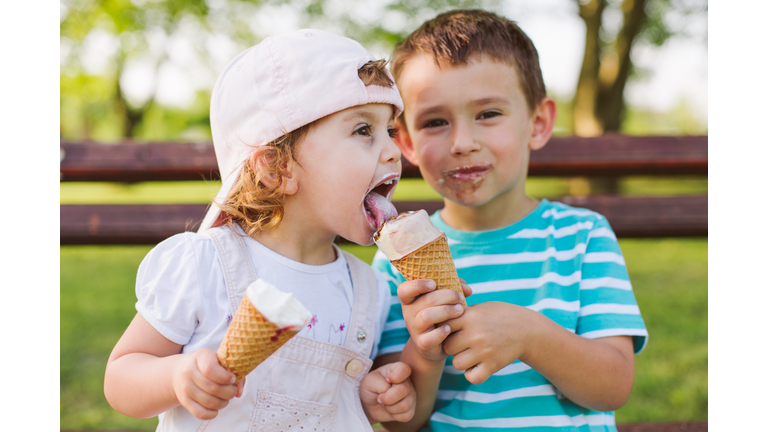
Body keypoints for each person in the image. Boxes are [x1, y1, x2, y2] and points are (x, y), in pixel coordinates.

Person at [104, 29, 418, 431]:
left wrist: (373, 395)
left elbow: (330, 399)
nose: (393, 150)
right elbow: (121, 377)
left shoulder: (370, 291)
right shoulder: (206, 266)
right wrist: (176, 377)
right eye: (362, 130)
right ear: (277, 168)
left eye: (390, 130)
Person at [371, 10, 649, 432]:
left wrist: (531, 335)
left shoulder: (582, 237)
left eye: (488, 114)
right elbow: (401, 422)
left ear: (537, 124)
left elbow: (613, 386)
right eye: (435, 122)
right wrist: (424, 353)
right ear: (406, 141)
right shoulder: (397, 261)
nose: (462, 143)